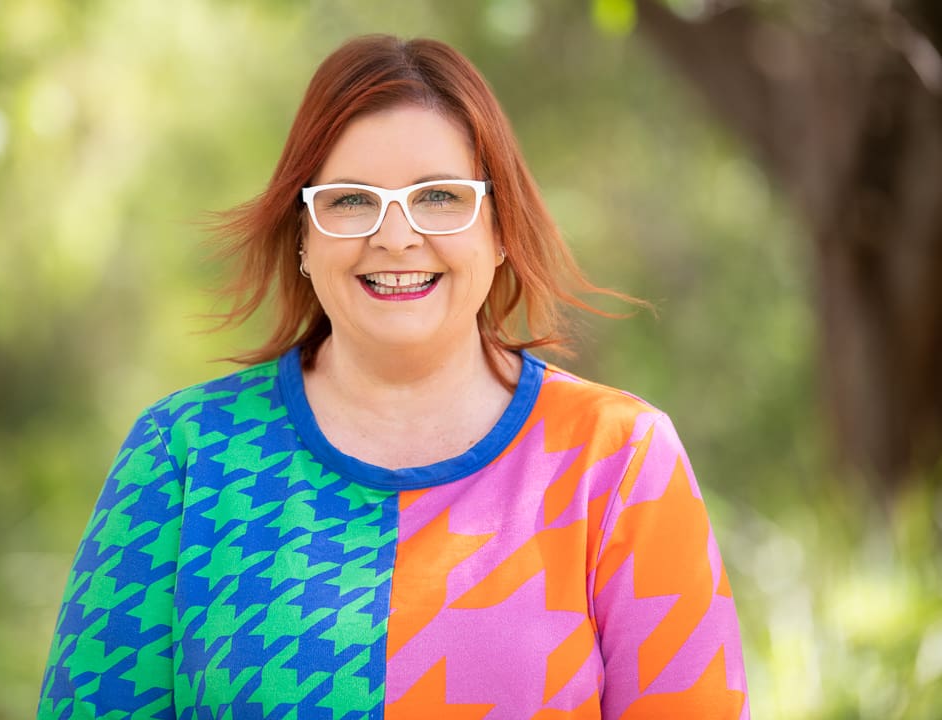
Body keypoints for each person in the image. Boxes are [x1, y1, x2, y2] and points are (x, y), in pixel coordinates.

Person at [37, 34, 750, 720]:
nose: (396, 236)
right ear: (303, 239)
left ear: (499, 230)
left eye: (439, 196)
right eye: (350, 200)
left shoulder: (619, 461)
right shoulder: (185, 455)